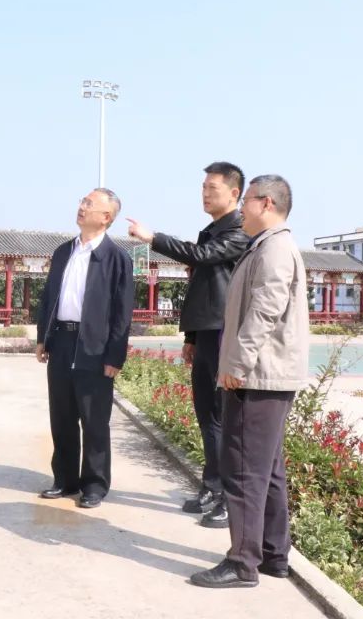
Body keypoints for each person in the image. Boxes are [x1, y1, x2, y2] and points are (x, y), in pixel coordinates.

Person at [190, 175, 309, 589]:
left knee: (242, 472)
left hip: (258, 376)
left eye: (248, 201)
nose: (242, 209)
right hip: (268, 375)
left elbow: (265, 311)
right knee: (267, 470)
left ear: (267, 203)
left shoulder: (274, 248)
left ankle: (242, 563)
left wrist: (237, 363)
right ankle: (274, 555)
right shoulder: (268, 245)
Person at [126, 162, 249, 528]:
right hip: (207, 332)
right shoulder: (213, 229)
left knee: (224, 418)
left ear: (234, 193)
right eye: (203, 188)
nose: (205, 194)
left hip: (224, 333)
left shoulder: (239, 230)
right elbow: (205, 285)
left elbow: (201, 257)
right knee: (207, 414)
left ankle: (229, 498)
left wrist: (153, 238)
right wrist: (192, 337)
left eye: (212, 188)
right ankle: (211, 486)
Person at [35, 188, 134, 509]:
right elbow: (49, 297)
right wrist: (43, 337)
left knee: (94, 419)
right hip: (62, 341)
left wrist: (115, 356)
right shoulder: (64, 251)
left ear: (106, 217)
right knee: (62, 415)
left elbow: (122, 313)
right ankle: (65, 479)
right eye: (82, 201)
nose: (81, 207)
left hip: (95, 347)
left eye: (89, 204)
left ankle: (94, 484)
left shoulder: (116, 258)